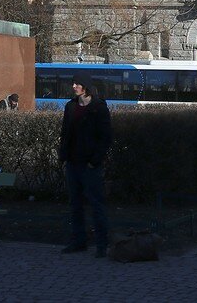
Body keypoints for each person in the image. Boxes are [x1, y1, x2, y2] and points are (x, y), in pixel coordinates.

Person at [58, 74, 112, 258]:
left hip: (90, 165)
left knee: (96, 205)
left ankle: (101, 244)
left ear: (86, 87)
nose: (73, 86)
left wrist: (94, 160)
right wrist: (63, 156)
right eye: (73, 83)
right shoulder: (70, 106)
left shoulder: (98, 108)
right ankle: (78, 241)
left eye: (77, 83)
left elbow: (105, 137)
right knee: (75, 205)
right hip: (73, 162)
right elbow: (65, 133)